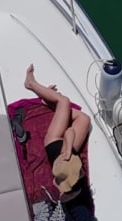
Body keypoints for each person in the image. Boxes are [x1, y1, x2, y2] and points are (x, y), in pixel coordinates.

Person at [24, 64, 91, 200]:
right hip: (68, 150)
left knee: (64, 101)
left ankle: (31, 84)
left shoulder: (64, 163)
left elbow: (69, 132)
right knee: (84, 119)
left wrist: (67, 151)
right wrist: (70, 151)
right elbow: (70, 132)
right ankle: (51, 103)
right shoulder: (68, 175)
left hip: (54, 141)